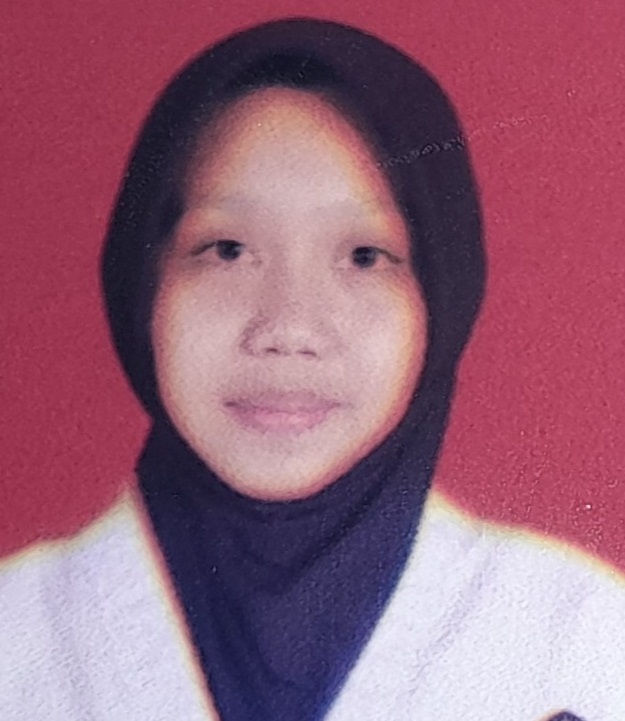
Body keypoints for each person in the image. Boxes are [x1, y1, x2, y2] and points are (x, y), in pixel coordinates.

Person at [1, 17, 624, 721]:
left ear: (441, 295)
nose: (288, 327)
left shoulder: (579, 648)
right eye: (227, 250)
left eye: (363, 257)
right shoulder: (15, 642)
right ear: (142, 281)